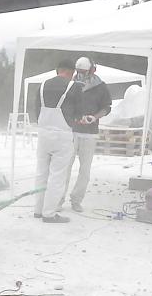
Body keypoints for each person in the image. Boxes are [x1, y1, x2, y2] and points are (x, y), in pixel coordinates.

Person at [32, 59, 83, 223]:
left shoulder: (42, 85)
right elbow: (79, 114)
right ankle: (49, 213)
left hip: (43, 134)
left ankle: (38, 210)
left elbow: (36, 111)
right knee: (57, 176)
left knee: (41, 173)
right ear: (71, 72)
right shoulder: (74, 87)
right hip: (62, 135)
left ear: (57, 70)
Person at [62, 57, 111, 212]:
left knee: (85, 170)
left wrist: (94, 117)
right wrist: (74, 118)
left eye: (84, 72)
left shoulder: (100, 87)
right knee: (64, 167)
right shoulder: (70, 84)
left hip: (89, 133)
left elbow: (106, 107)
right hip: (71, 131)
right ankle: (58, 199)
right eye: (79, 72)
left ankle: (76, 199)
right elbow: (64, 105)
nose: (81, 74)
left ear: (92, 70)